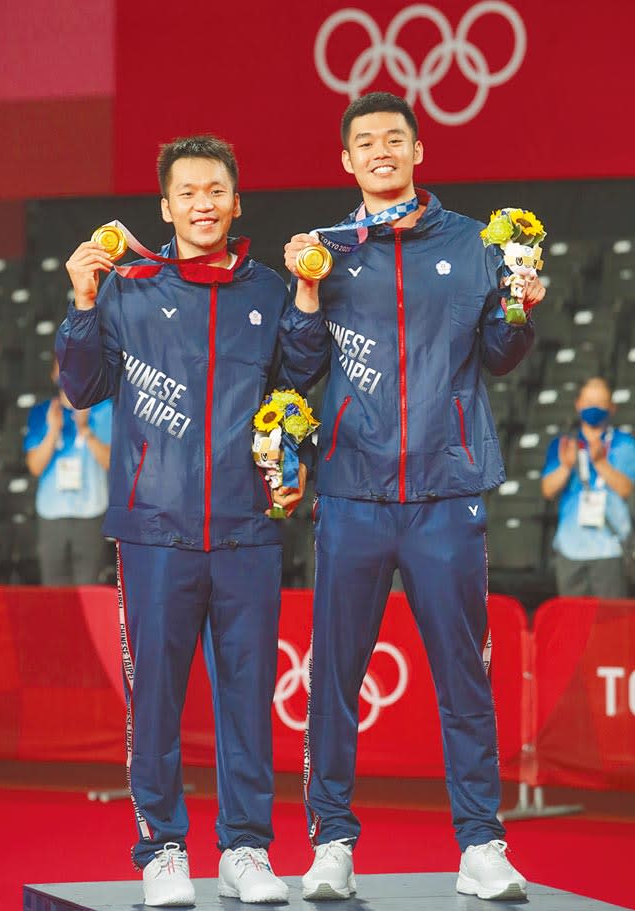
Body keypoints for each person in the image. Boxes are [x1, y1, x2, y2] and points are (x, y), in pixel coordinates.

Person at [284, 92, 545, 902]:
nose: (382, 151)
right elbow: (297, 370)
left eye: (395, 139)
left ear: (419, 150)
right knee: (334, 678)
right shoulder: (326, 254)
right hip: (353, 496)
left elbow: (501, 354)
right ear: (347, 162)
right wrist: (299, 293)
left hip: (447, 492)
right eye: (366, 143)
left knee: (464, 676)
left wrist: (519, 304)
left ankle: (481, 844)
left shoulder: (472, 245)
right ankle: (331, 843)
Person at [57, 135, 323, 908]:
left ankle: (245, 849)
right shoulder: (127, 287)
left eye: (216, 190)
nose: (203, 203)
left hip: (247, 529)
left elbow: (301, 381)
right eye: (188, 192)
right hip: (154, 528)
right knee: (159, 701)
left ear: (236, 202)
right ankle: (163, 850)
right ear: (165, 206)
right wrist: (79, 302)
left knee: (247, 698)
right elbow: (80, 386)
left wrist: (306, 307)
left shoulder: (269, 289)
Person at [541, 376, 635, 597]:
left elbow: (626, 490)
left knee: (609, 627)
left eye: (600, 402)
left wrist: (601, 463)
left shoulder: (625, 444)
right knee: (574, 626)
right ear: (578, 404)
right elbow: (547, 490)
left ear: (612, 408)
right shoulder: (562, 445)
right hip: (570, 551)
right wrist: (565, 467)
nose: (593, 407)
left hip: (610, 551)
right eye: (589, 401)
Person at [24, 357, 112, 584]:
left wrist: (85, 430)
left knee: (89, 592)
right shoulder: (41, 412)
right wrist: (53, 431)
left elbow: (111, 463)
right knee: (55, 597)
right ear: (54, 374)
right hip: (52, 515)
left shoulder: (104, 411)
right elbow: (34, 466)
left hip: (91, 514)